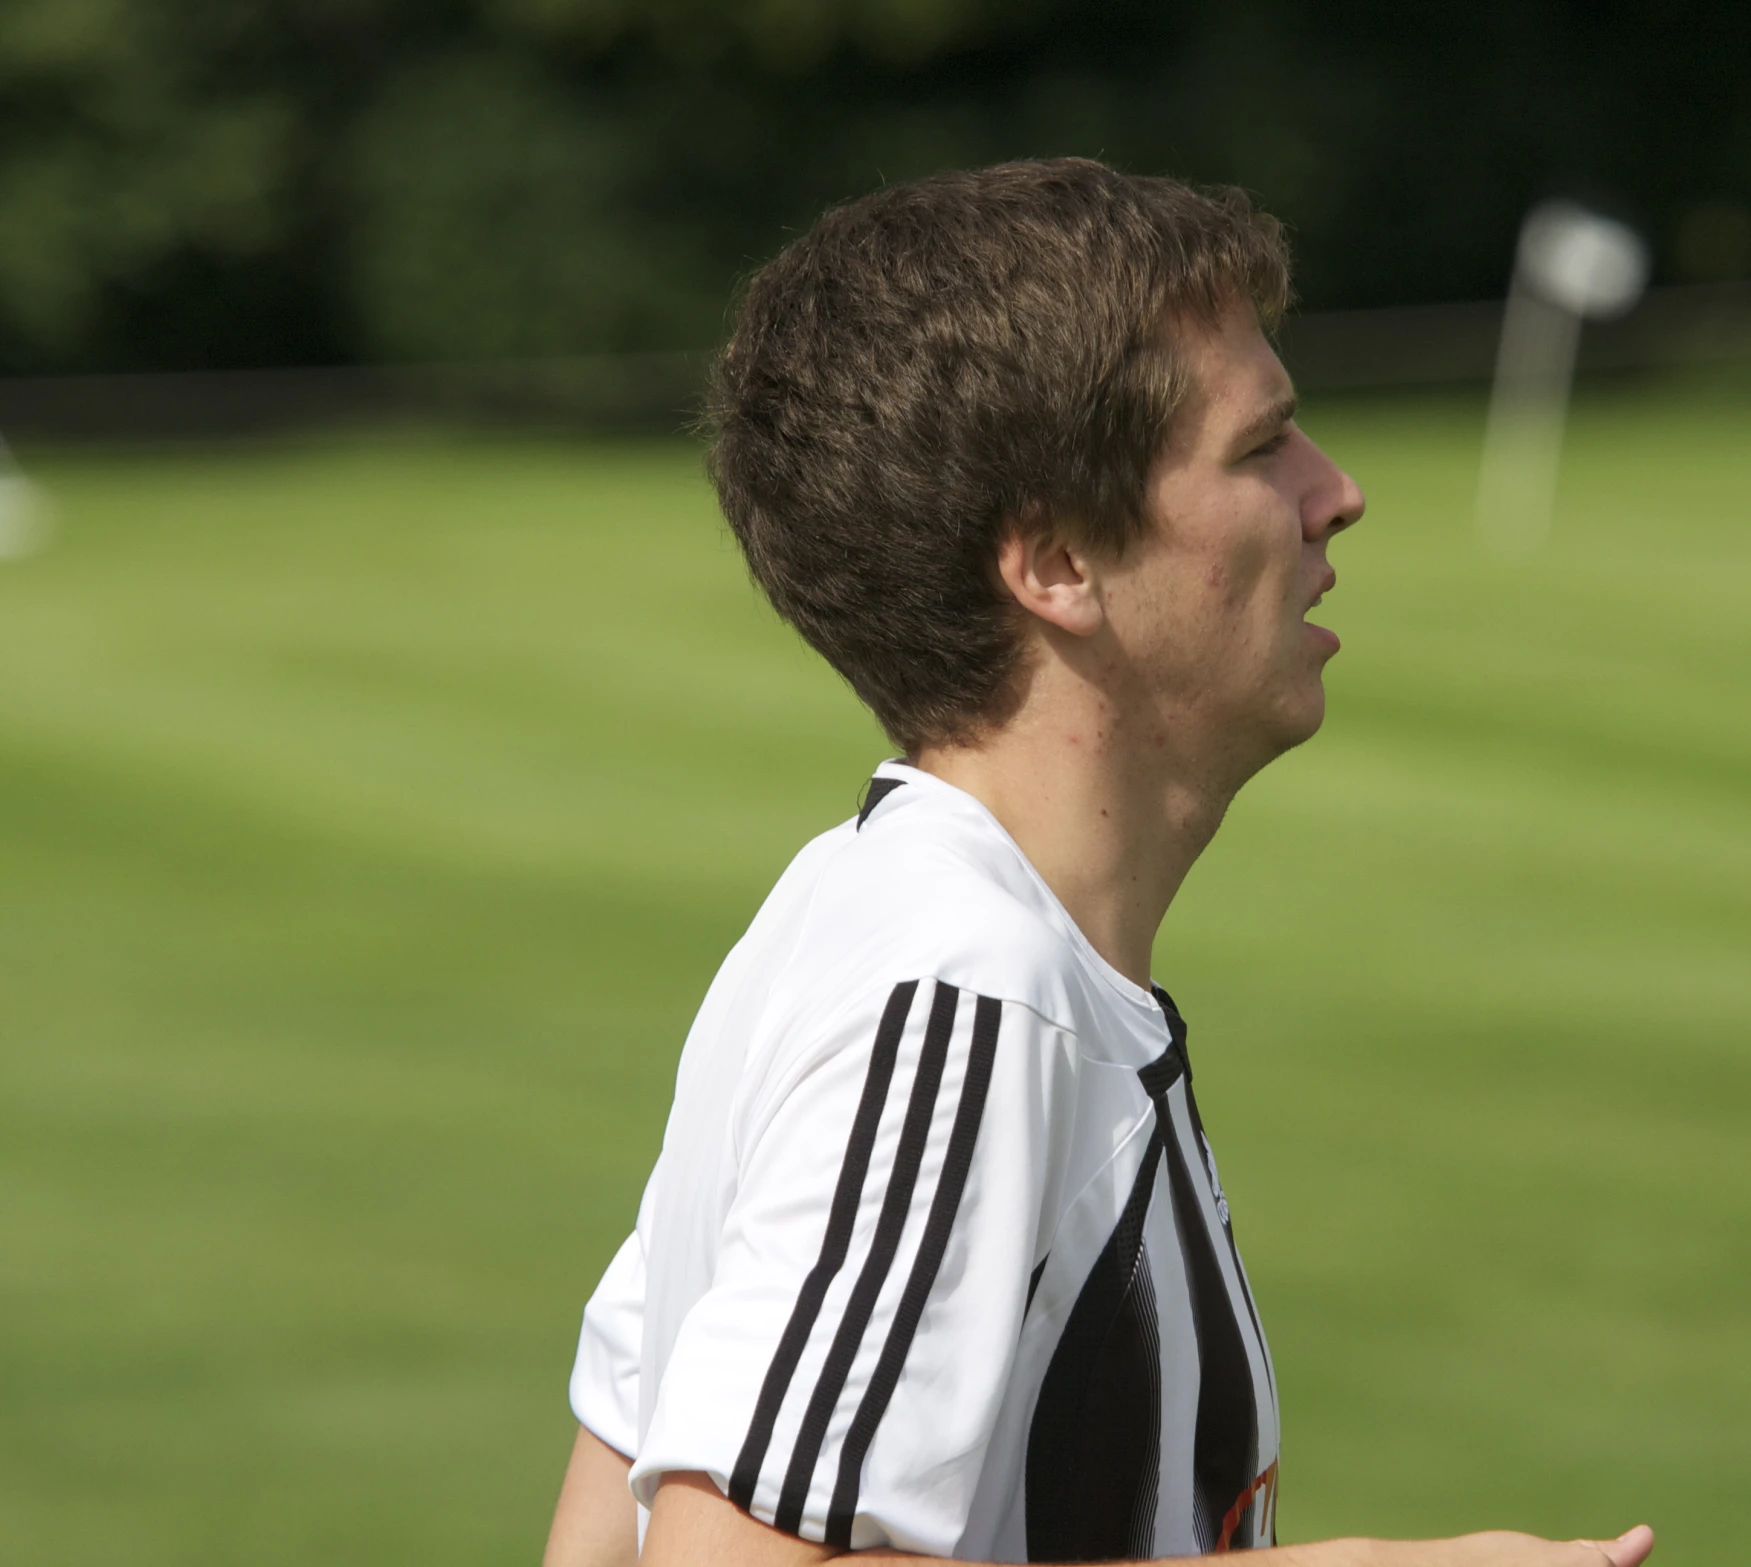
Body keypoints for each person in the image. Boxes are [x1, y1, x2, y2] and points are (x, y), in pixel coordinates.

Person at [542, 158, 1653, 1567]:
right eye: (1262, 450)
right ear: (1058, 561)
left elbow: (605, 1509)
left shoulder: (850, 925)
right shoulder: (971, 992)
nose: (1338, 494)